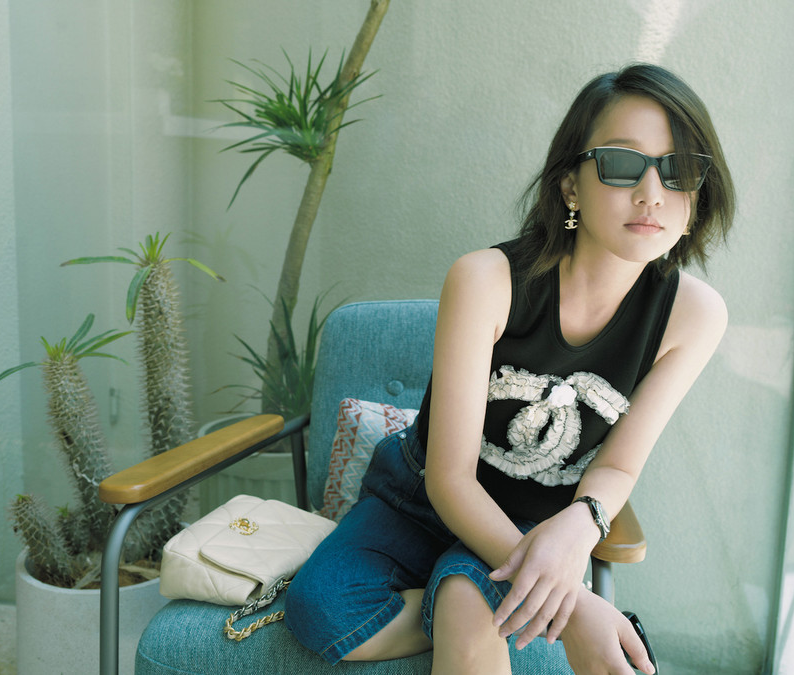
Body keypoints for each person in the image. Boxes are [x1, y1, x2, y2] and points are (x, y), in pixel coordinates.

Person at [285, 63, 736, 675]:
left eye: (678, 169)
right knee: (319, 609)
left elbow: (618, 466)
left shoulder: (693, 315)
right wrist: (575, 608)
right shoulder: (486, 280)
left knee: (469, 610)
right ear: (571, 185)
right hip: (421, 495)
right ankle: (460, 594)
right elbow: (450, 479)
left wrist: (582, 525)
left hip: (535, 519)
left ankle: (462, 593)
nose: (652, 193)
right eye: (622, 163)